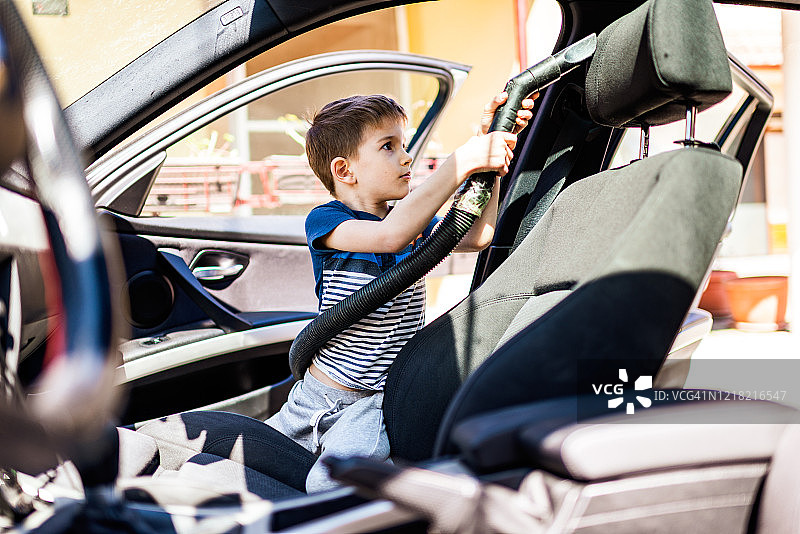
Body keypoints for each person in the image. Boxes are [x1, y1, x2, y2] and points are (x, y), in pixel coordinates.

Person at [266, 91, 534, 492]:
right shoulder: (327, 220)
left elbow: (478, 234)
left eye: (403, 145)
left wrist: (485, 168)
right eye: (388, 147)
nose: (406, 157)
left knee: (329, 489)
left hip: (369, 405)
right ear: (345, 170)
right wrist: (460, 162)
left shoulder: (411, 224)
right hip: (314, 396)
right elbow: (390, 237)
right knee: (248, 459)